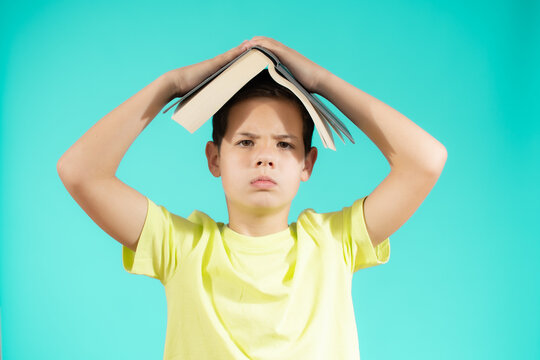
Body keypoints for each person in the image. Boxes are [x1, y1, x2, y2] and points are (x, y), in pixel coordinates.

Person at [57, 36, 447, 359]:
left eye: (284, 144)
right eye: (245, 142)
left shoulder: (334, 243)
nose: (264, 157)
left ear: (307, 164)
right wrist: (171, 85)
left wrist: (320, 81)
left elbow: (426, 161)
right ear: (214, 158)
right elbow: (80, 172)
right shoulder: (181, 247)